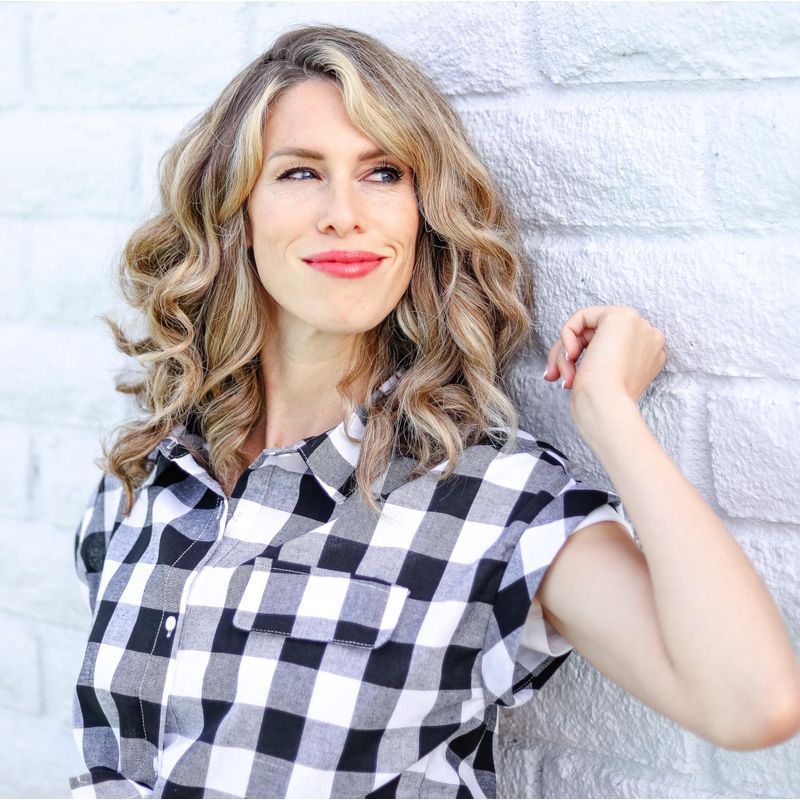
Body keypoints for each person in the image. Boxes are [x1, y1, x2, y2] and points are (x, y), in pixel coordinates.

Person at [70, 23, 800, 800]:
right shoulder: (144, 484)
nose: (344, 212)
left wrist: (610, 412)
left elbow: (751, 704)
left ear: (423, 214)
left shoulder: (489, 498)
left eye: (383, 172)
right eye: (300, 172)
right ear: (236, 212)